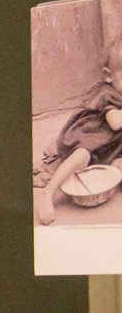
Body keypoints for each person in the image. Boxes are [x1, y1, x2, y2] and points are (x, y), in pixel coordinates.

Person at [39, 35, 122, 224]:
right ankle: (48, 193)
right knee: (81, 156)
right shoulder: (107, 94)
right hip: (88, 139)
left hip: (110, 146)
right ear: (108, 75)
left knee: (119, 166)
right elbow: (116, 123)